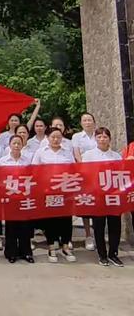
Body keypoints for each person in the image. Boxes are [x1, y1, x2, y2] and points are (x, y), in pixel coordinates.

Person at [31, 127, 76, 263]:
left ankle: (66, 246)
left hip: (65, 191)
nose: (56, 139)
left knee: (66, 220)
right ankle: (51, 247)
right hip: (48, 191)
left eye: (58, 137)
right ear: (48, 138)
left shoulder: (67, 152)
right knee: (51, 220)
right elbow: (34, 170)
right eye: (53, 137)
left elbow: (74, 169)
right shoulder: (41, 152)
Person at [82, 127, 124, 267]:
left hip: (113, 196)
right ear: (96, 139)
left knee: (115, 226)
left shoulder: (116, 156)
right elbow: (85, 175)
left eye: (105, 137)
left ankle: (113, 253)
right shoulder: (88, 155)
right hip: (97, 196)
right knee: (99, 226)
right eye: (99, 137)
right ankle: (102, 254)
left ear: (109, 139)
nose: (102, 139)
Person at [0, 135, 34, 263]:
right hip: (10, 196)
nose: (17, 146)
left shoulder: (27, 160)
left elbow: (32, 177)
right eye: (14, 143)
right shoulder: (3, 161)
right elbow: (0, 179)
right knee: (11, 226)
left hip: (24, 196)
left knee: (25, 225)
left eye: (19, 143)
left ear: (23, 145)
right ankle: (11, 252)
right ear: (9, 145)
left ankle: (26, 252)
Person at [72, 112, 97, 251]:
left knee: (97, 203)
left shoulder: (99, 134)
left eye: (89, 120)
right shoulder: (77, 137)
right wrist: (85, 169)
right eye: (84, 120)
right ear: (81, 123)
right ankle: (88, 235)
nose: (87, 122)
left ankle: (97, 233)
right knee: (86, 203)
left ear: (94, 122)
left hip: (98, 174)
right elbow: (77, 155)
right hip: (84, 174)